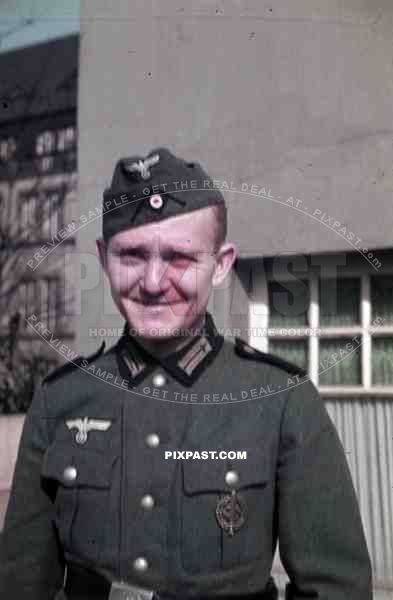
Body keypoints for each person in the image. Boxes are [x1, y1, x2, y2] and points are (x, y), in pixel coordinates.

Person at [0, 147, 372, 600]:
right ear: (103, 257)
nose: (154, 282)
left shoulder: (281, 400)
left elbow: (336, 589)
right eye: (132, 256)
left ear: (220, 265)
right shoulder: (61, 399)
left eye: (180, 258)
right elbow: (19, 583)